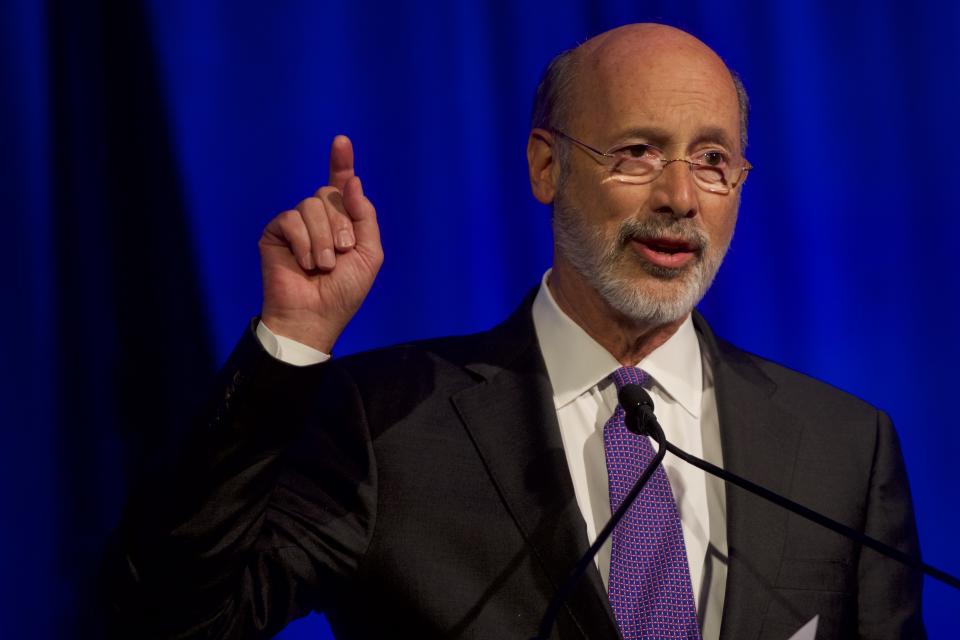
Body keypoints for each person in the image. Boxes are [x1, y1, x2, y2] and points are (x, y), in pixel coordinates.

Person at [105, 23, 924, 639]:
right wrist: (289, 342)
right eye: (638, 152)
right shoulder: (383, 424)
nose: (681, 196)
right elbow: (171, 616)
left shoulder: (842, 452)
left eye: (713, 160)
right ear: (546, 165)